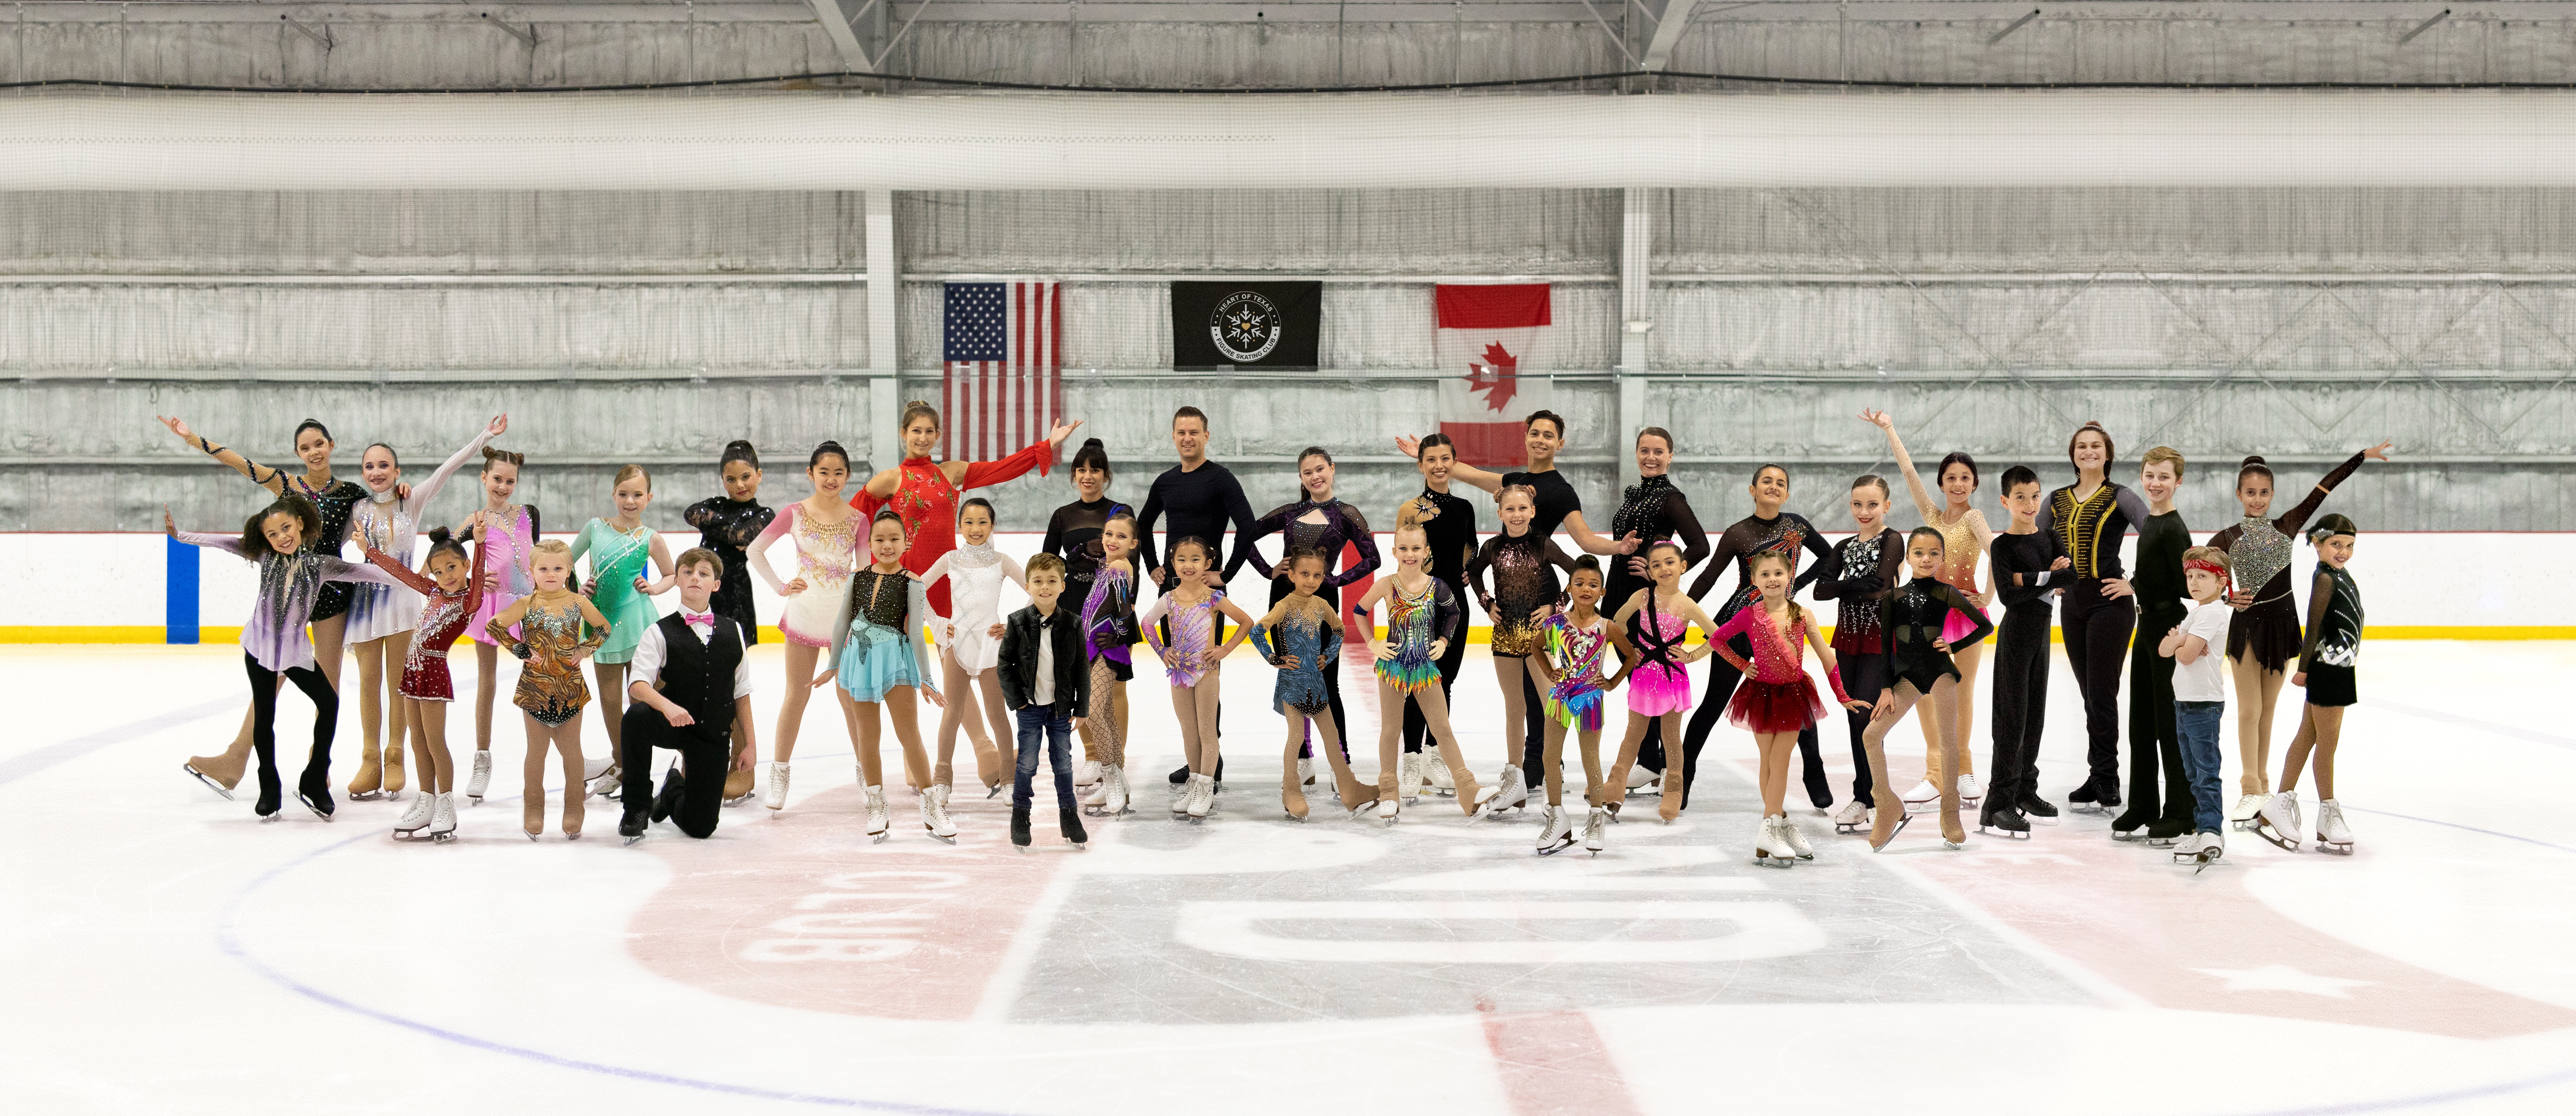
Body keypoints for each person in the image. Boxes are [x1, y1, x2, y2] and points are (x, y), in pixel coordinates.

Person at [1393, 413, 1637, 799]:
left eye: (1549, 435)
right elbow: (1466, 477)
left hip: (1540, 606)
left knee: (1547, 697)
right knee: (1515, 702)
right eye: (1535, 433)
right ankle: (1521, 771)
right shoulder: (1512, 488)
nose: (1541, 440)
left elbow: (1585, 542)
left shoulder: (1559, 492)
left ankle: (1551, 766)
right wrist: (1427, 460)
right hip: (1502, 612)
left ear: (1560, 443)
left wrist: (1614, 551)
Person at [158, 416, 368, 800]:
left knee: (329, 687)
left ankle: (317, 770)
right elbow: (242, 464)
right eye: (305, 448)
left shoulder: (353, 493)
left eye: (319, 444)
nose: (314, 452)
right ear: (298, 454)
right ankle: (235, 761)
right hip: (288, 592)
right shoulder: (288, 485)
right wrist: (193, 439)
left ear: (332, 445)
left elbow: (384, 509)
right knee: (268, 681)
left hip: (331, 588)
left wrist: (402, 489)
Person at [165, 499, 406, 821]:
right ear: (265, 539)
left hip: (294, 653)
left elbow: (365, 572)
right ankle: (269, 790)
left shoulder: (320, 565)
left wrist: (418, 582)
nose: (281, 537)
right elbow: (225, 543)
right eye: (272, 534)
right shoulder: (264, 556)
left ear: (300, 525)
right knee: (264, 717)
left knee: (329, 704)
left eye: (286, 528)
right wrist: (182, 536)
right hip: (260, 650)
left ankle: (314, 780)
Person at [2205, 443, 2390, 829]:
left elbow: (2325, 487)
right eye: (2250, 493)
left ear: (2272, 495)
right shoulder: (2227, 537)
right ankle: (2248, 787)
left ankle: (2266, 786)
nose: (2257, 500)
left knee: (2269, 712)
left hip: (2283, 625)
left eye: (2264, 493)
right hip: (2247, 626)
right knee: (2249, 710)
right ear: (2239, 495)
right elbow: (2194, 572)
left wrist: (2362, 456)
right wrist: (2226, 596)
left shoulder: (2287, 525)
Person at [340, 418, 507, 804]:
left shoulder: (409, 500)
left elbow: (448, 468)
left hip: (402, 603)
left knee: (401, 682)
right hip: (365, 602)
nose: (377, 472)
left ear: (397, 472)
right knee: (368, 684)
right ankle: (370, 758)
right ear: (363, 473)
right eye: (369, 466)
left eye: (385, 466)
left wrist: (484, 437)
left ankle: (395, 753)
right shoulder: (356, 508)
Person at [1675, 465, 1838, 810]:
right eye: (1767, 481)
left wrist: (1798, 583)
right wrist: (1679, 617)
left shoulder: (1797, 526)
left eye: (1781, 483)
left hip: (1781, 624)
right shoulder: (1737, 533)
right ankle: (1681, 777)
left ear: (1787, 494)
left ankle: (1814, 774)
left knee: (1796, 695)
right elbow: (1707, 578)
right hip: (1739, 623)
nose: (1774, 487)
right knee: (1713, 704)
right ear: (1753, 490)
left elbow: (1829, 556)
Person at [1861, 411, 1996, 814]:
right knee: (1923, 690)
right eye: (1951, 478)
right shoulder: (1934, 518)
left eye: (1965, 478)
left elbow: (1997, 553)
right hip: (1928, 613)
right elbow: (1908, 473)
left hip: (1963, 614)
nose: (1958, 484)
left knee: (1961, 691)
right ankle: (1937, 774)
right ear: (1942, 483)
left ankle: (1964, 768)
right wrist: (1890, 429)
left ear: (1974, 484)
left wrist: (1988, 596)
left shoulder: (1974, 516)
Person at [1703, 551, 1868, 866]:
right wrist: (1742, 664)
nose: (1772, 579)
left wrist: (1841, 694)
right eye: (1765, 575)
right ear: (1754, 581)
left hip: (1793, 694)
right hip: (1760, 694)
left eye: (1778, 573)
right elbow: (1717, 639)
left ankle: (1774, 825)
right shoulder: (1750, 615)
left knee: (1779, 763)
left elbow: (1827, 656)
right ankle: (1776, 824)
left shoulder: (1802, 615)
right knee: (1769, 762)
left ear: (1790, 575)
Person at [852, 400, 1077, 616]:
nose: (923, 438)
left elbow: (1000, 470)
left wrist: (1047, 445)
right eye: (916, 431)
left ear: (938, 436)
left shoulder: (952, 472)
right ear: (904, 433)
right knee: (899, 641)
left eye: (929, 432)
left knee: (950, 645)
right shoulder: (890, 478)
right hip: (904, 567)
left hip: (947, 571)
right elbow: (853, 520)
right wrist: (868, 564)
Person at [1241, 447, 1381, 783]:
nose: (1316, 477)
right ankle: (1304, 757)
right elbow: (1246, 536)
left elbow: (1372, 558)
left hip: (1323, 604)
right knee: (1292, 677)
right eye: (1308, 472)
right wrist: (1268, 571)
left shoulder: (1346, 514)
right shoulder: (1291, 513)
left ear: (1332, 470)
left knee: (1327, 682)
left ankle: (1340, 757)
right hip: (1285, 600)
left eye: (1321, 469)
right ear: (1301, 478)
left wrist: (1334, 580)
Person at [1137, 407, 1259, 787]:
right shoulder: (1166, 482)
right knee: (1182, 670)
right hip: (1174, 590)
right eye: (1181, 432)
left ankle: (1212, 761)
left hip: (1207, 592)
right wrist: (1153, 566)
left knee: (1207, 669)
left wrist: (1227, 574)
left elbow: (1249, 526)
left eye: (1194, 432)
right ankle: (1198, 758)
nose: (1187, 438)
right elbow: (1142, 524)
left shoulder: (1221, 479)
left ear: (1207, 436)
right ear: (1173, 437)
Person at [812, 509, 947, 844]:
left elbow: (917, 633)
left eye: (894, 539)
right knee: (866, 736)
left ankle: (932, 805)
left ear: (906, 542)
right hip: (859, 661)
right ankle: (876, 803)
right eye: (879, 540)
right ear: (870, 543)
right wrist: (832, 664)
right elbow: (842, 623)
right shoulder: (856, 577)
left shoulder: (913, 583)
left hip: (896, 662)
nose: (887, 546)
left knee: (909, 735)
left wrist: (927, 678)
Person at [1859, 528, 1996, 852]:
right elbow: (1885, 648)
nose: (1926, 559)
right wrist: (1886, 688)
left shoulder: (1947, 592)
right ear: (1908, 557)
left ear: (1942, 558)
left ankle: (1950, 814)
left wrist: (1953, 645)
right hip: (1906, 678)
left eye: (1934, 553)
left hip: (1939, 674)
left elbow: (1986, 625)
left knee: (1949, 745)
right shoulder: (1893, 597)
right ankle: (1887, 803)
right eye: (1919, 553)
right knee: (1871, 736)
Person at [745, 442, 863, 812]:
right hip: (804, 612)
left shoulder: (859, 519)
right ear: (810, 474)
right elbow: (754, 551)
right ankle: (779, 775)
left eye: (839, 472)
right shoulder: (793, 513)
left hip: (843, 618)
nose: (831, 479)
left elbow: (865, 571)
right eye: (824, 472)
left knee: (851, 699)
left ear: (848, 476)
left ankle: (867, 773)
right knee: (797, 695)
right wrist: (781, 587)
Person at [2042, 422, 2151, 813]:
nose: (2088, 451)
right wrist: (2050, 577)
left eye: (2096, 446)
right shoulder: (2055, 499)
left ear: (2107, 454)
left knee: (2102, 694)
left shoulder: (2119, 496)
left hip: (2109, 603)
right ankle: (2098, 772)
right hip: (2072, 604)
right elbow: (2036, 544)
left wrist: (2134, 584)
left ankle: (2108, 777)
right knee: (2091, 696)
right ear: (2073, 454)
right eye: (2081, 446)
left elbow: (2156, 534)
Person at [615, 548, 758, 845]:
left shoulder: (734, 632)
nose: (695, 578)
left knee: (702, 827)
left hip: (711, 733)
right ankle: (636, 808)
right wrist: (668, 708)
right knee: (636, 717)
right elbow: (638, 686)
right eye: (688, 573)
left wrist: (751, 746)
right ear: (677, 581)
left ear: (715, 585)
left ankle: (671, 792)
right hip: (671, 723)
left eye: (704, 573)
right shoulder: (658, 632)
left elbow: (741, 693)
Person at [1351, 524, 1483, 825]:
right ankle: (1388, 792)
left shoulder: (1438, 586)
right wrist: (1373, 643)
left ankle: (1467, 787)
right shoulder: (1386, 584)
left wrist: (1444, 641)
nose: (1409, 555)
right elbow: (1360, 611)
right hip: (1394, 668)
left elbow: (1455, 613)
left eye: (1415, 549)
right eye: (1403, 549)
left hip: (1424, 668)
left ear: (1426, 552)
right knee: (1390, 730)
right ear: (1394, 551)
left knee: (1442, 729)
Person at [360, 529, 486, 843]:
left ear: (466, 565)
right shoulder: (432, 592)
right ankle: (426, 799)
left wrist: (481, 544)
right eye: (439, 571)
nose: (447, 576)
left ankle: (446, 802)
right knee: (417, 741)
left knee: (435, 742)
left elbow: (480, 580)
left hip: (433, 672)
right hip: (411, 671)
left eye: (453, 568)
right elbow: (400, 572)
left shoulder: (469, 600)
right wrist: (369, 551)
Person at [484, 539, 609, 840]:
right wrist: (521, 650)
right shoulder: (526, 605)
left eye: (558, 568)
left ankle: (574, 807)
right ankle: (534, 807)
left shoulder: (579, 603)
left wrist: (586, 649)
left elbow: (604, 628)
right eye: (544, 568)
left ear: (568, 570)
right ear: (532, 571)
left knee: (572, 753)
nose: (551, 574)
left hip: (569, 687)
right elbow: (494, 626)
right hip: (536, 688)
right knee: (536, 753)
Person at [568, 464, 679, 801]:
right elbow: (565, 562)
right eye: (623, 494)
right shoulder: (595, 528)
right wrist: (578, 589)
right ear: (613, 495)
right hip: (601, 625)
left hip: (640, 622)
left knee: (644, 697)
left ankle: (641, 763)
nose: (630, 502)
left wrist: (656, 588)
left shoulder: (650, 538)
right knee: (611, 700)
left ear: (649, 498)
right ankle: (622, 763)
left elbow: (671, 574)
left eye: (637, 495)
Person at [2254, 514, 2364, 855]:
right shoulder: (2326, 580)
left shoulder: (2339, 576)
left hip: (2339, 667)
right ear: (2317, 545)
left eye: (2349, 546)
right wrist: (2303, 670)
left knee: (2309, 735)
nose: (2343, 551)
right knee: (2327, 743)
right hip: (2327, 668)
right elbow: (2313, 626)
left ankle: (2279, 805)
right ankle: (2328, 813)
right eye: (2336, 544)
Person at [1466, 485, 1575, 818]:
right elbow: (1473, 571)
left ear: (1533, 512)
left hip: (1538, 638)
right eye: (1509, 510)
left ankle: (1552, 772)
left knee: (1550, 705)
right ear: (1500, 514)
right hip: (1504, 636)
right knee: (1514, 708)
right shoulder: (1492, 546)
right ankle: (1515, 780)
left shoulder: (1543, 544)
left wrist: (1557, 607)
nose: (1516, 515)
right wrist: (1487, 603)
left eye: (1522, 509)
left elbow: (1579, 570)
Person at [1249, 549, 1377, 821]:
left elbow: (1340, 630)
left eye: (1317, 575)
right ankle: (1291, 789)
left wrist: (1328, 657)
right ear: (1292, 575)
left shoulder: (1321, 604)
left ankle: (1349, 788)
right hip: (1292, 681)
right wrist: (1275, 659)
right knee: (1296, 737)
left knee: (1332, 739)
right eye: (1305, 574)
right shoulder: (1284, 605)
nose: (1311, 580)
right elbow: (1257, 630)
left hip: (1316, 682)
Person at [682, 439, 775, 805]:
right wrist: (731, 527)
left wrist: (723, 526)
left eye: (747, 477)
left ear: (759, 476)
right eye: (732, 479)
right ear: (723, 480)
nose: (740, 486)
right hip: (703, 602)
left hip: (735, 605)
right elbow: (692, 514)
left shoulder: (764, 515)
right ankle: (702, 759)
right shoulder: (719, 508)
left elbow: (746, 536)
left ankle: (742, 766)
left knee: (734, 689)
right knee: (700, 687)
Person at [1981, 465, 2071, 838]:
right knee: (2011, 719)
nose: (2030, 504)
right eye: (2020, 497)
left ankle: (2025, 790)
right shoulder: (2003, 546)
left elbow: (2072, 578)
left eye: (2035, 496)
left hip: (2042, 637)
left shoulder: (2050, 538)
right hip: (2016, 635)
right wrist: (2048, 578)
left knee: (2034, 717)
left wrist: (2029, 579)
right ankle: (1998, 804)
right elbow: (2007, 595)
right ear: (2006, 501)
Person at [1143, 538, 1259, 820]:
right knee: (1189, 731)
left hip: (1207, 672)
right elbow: (1146, 622)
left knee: (1208, 732)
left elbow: (1246, 622)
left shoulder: (1213, 597)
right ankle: (1194, 783)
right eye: (1182, 559)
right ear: (1173, 564)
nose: (1188, 565)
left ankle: (1206, 786)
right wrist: (1162, 651)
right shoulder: (1169, 598)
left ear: (1208, 564)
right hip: (1180, 672)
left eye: (1196, 559)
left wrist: (1225, 649)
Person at [1605, 541, 1722, 824]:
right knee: (1633, 734)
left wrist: (1691, 656)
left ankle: (1673, 790)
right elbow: (1617, 621)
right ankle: (1615, 785)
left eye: (1670, 563)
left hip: (1672, 678)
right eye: (1656, 565)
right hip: (1645, 675)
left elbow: (1718, 637)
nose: (1663, 569)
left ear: (1682, 567)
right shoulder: (1642, 597)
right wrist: (1629, 648)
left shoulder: (1688, 605)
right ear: (1650, 571)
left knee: (1671, 739)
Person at [921, 498, 1027, 804]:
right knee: (952, 712)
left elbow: (1036, 591)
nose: (976, 528)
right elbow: (917, 588)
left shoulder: (1002, 560)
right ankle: (942, 780)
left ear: (992, 526)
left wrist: (1015, 625)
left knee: (997, 715)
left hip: (992, 648)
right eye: (968, 522)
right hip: (958, 645)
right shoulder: (951, 559)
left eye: (983, 522)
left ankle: (1008, 779)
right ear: (960, 527)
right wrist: (939, 624)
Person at [1812, 474, 1902, 835]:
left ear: (1887, 506)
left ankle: (1869, 797)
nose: (1864, 512)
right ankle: (1868, 797)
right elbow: (1820, 591)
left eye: (1872, 505)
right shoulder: (1844, 547)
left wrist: (1842, 588)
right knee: (1854, 718)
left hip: (1880, 639)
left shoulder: (1893, 539)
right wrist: (1853, 587)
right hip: (1848, 639)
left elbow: (1881, 586)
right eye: (1857, 505)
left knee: (1868, 721)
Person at [2113, 447, 2195, 845]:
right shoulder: (2151, 523)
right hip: (2146, 629)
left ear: (2178, 482)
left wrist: (2136, 585)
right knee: (2141, 723)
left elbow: (2185, 587)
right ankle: (2144, 804)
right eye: (2150, 475)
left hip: (2166, 628)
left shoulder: (2174, 528)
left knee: (2168, 724)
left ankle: (2181, 811)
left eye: (2164, 477)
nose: (2155, 483)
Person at [1393, 434, 1479, 799]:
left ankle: (1433, 755)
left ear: (1454, 462)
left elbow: (1471, 549)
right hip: (1418, 604)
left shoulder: (1465, 507)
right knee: (1416, 682)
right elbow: (1404, 555)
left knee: (1444, 682)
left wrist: (1468, 570)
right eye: (1431, 460)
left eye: (1446, 458)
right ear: (1421, 465)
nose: (1439, 466)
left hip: (1454, 605)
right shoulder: (1410, 509)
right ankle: (1411, 758)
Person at [1039, 437, 1128, 787]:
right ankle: (1093, 756)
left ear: (1106, 475)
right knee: (1080, 685)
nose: (1088, 476)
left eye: (1095, 470)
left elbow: (1128, 560)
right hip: (1073, 609)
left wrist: (1127, 609)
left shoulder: (1120, 511)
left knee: (1115, 688)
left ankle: (1115, 759)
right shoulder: (1063, 515)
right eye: (1081, 469)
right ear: (1074, 475)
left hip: (1111, 609)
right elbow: (1048, 563)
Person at [1527, 556, 1629, 855]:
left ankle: (1597, 816)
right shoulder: (1555, 624)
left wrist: (1611, 682)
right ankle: (1557, 818)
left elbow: (1632, 657)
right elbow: (1536, 647)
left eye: (1593, 585)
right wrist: (1549, 672)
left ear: (1603, 592)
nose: (1586, 589)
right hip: (1560, 697)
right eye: (1580, 583)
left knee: (1590, 760)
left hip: (1590, 699)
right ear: (1569, 588)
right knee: (1549, 756)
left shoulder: (1607, 627)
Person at [455, 447, 538, 804]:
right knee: (487, 682)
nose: (503, 487)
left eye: (511, 481)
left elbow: (540, 555)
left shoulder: (529, 514)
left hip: (530, 605)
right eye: (497, 479)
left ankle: (568, 751)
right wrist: (473, 579)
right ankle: (482, 758)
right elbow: (443, 565)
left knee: (547, 674)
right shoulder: (475, 521)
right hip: (493, 608)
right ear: (484, 478)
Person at [998, 554, 1092, 851]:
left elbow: (1081, 668)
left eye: (1052, 581)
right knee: (1026, 764)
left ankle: (1069, 816)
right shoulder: (1017, 622)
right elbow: (1004, 665)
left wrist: (1082, 708)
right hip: (1030, 708)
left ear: (1063, 586)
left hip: (1061, 708)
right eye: (1038, 581)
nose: (1045, 587)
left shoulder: (1073, 624)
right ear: (1028, 585)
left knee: (1063, 762)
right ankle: (1020, 816)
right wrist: (1018, 702)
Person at [2159, 546, 2238, 866]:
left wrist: (2182, 641)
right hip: (2186, 702)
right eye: (2190, 576)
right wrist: (2182, 641)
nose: (2193, 582)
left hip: (2203, 704)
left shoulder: (2212, 613)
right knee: (2193, 772)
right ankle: (2203, 827)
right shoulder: (2197, 612)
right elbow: (2166, 649)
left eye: (2202, 576)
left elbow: (2185, 655)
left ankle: (2210, 829)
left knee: (2206, 772)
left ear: (2221, 581)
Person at [1079, 510, 1146, 817]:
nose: (1113, 540)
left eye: (1121, 536)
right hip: (1094, 646)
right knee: (1105, 713)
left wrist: (1119, 636)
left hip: (1107, 649)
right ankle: (1117, 779)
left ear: (1134, 543)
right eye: (1109, 534)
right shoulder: (1107, 566)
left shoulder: (1119, 567)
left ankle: (1112, 777)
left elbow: (1123, 607)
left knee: (1093, 714)